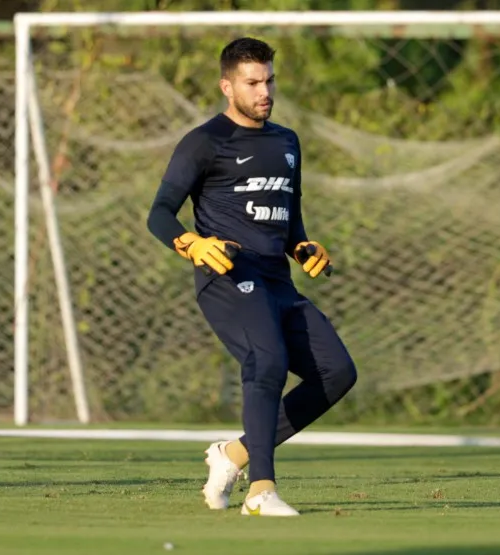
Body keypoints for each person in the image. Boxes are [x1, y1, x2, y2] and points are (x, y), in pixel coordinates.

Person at [146, 37, 357, 517]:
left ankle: (234, 454)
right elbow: (159, 214)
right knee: (267, 362)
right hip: (227, 277)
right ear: (228, 86)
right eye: (253, 82)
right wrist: (191, 244)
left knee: (338, 372)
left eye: (269, 80)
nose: (265, 91)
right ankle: (260, 492)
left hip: (277, 279)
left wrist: (303, 248)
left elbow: (289, 217)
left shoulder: (286, 141)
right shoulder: (204, 142)